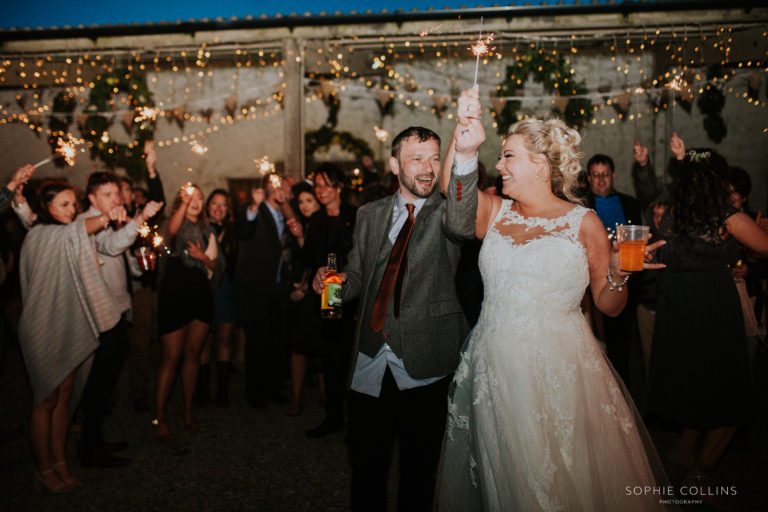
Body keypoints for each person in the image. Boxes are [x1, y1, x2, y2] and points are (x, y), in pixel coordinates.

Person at [437, 87, 668, 511]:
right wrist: (461, 138)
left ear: (541, 165)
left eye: (508, 155)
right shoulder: (493, 211)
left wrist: (618, 275)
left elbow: (607, 305)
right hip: (494, 367)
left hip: (559, 371)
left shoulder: (586, 223)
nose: (500, 164)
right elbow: (451, 194)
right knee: (504, 477)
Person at [311, 126, 477, 510]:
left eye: (435, 158)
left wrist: (465, 154)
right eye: (417, 158)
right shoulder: (368, 215)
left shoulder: (446, 212)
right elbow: (357, 276)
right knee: (366, 469)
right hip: (370, 360)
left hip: (425, 361)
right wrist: (333, 280)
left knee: (418, 474)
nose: (428, 167)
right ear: (393, 165)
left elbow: (464, 221)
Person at [650, 149, 768, 491]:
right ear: (718, 180)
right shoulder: (728, 217)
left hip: (678, 312)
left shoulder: (672, 215)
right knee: (732, 400)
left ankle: (684, 453)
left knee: (700, 388)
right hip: (714, 310)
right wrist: (758, 233)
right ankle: (699, 479)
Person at [18, 181, 125, 493]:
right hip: (42, 325)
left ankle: (61, 461)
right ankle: (43, 468)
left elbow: (78, 235)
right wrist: (107, 217)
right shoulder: (40, 235)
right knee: (45, 399)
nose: (71, 210)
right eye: (63, 205)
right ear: (46, 207)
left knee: (65, 395)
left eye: (72, 204)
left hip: (69, 321)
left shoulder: (67, 232)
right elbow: (78, 231)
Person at [77, 172, 162, 467]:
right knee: (97, 383)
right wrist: (139, 220)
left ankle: (97, 440)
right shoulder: (88, 224)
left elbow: (121, 260)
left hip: (119, 310)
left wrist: (141, 265)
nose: (117, 199)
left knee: (107, 379)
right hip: (102, 315)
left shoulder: (110, 221)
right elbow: (111, 246)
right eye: (109, 194)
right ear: (92, 198)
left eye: (118, 193)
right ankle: (89, 447)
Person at [154, 184, 219, 439]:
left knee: (193, 356)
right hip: (175, 295)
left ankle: (187, 409)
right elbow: (169, 232)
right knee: (170, 359)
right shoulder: (174, 224)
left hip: (201, 295)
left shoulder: (208, 229)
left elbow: (215, 265)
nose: (196, 202)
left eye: (199, 198)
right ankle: (159, 416)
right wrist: (183, 202)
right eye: (191, 198)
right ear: (181, 200)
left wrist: (202, 257)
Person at [300, 164, 357, 437]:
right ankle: (333, 417)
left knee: (351, 360)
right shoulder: (317, 221)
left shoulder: (356, 217)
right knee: (329, 359)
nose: (320, 190)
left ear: (339, 187)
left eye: (325, 184)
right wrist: (316, 272)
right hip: (325, 297)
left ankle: (356, 420)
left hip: (351, 297)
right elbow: (310, 259)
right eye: (317, 185)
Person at [232, 174, 295, 409]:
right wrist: (254, 204)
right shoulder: (255, 210)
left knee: (277, 341)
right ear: (273, 189)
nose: (291, 192)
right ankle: (255, 393)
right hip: (255, 289)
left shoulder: (284, 214)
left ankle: (274, 388)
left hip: (278, 287)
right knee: (256, 343)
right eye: (287, 188)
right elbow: (244, 229)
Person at [584, 152, 643, 386]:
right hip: (590, 285)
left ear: (613, 175)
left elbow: (639, 241)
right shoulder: (581, 206)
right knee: (595, 346)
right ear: (589, 178)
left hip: (625, 282)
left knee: (621, 344)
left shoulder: (629, 204)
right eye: (596, 175)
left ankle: (623, 390)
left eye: (605, 175)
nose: (601, 180)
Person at [197, 189, 238, 407]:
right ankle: (202, 391)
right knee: (203, 341)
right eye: (214, 204)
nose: (218, 208)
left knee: (224, 339)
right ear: (207, 206)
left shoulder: (234, 231)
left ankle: (222, 392)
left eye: (223, 204)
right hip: (204, 289)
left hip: (227, 289)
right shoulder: (200, 229)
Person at [285, 181, 322, 416]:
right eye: (301, 202)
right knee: (299, 347)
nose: (305, 205)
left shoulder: (325, 224)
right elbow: (305, 258)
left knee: (323, 348)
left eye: (309, 200)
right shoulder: (303, 226)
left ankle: (328, 402)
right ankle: (296, 400)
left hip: (327, 292)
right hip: (305, 295)